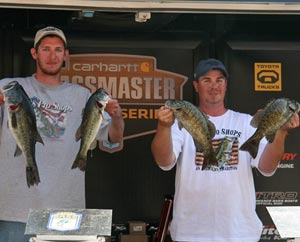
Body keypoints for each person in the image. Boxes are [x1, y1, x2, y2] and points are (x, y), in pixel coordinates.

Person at [151, 58, 299, 242]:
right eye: (207, 80)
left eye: (219, 80)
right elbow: (164, 162)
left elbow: (267, 168)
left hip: (240, 232)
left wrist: (281, 131)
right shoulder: (179, 122)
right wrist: (163, 127)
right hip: (191, 232)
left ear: (226, 85)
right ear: (196, 86)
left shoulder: (246, 122)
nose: (214, 86)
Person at [0, 26, 124, 242]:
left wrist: (117, 117)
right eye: (46, 49)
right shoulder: (9, 88)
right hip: (16, 208)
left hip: (66, 213)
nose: (52, 55)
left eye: (58, 50)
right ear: (34, 53)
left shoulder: (82, 95)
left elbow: (112, 142)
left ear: (66, 55)